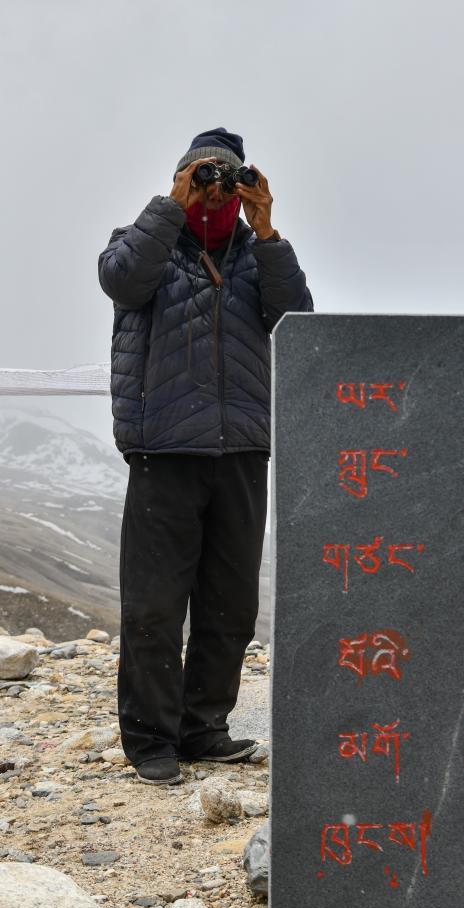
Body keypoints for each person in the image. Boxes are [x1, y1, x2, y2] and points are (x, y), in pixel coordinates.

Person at [98, 127, 313, 785]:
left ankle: (203, 728)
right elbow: (121, 281)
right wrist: (171, 203)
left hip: (243, 449)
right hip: (164, 449)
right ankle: (151, 740)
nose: (215, 188)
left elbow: (296, 320)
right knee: (155, 604)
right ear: (182, 179)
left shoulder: (257, 256)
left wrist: (267, 227)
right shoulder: (144, 243)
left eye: (226, 176)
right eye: (203, 175)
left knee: (230, 603)